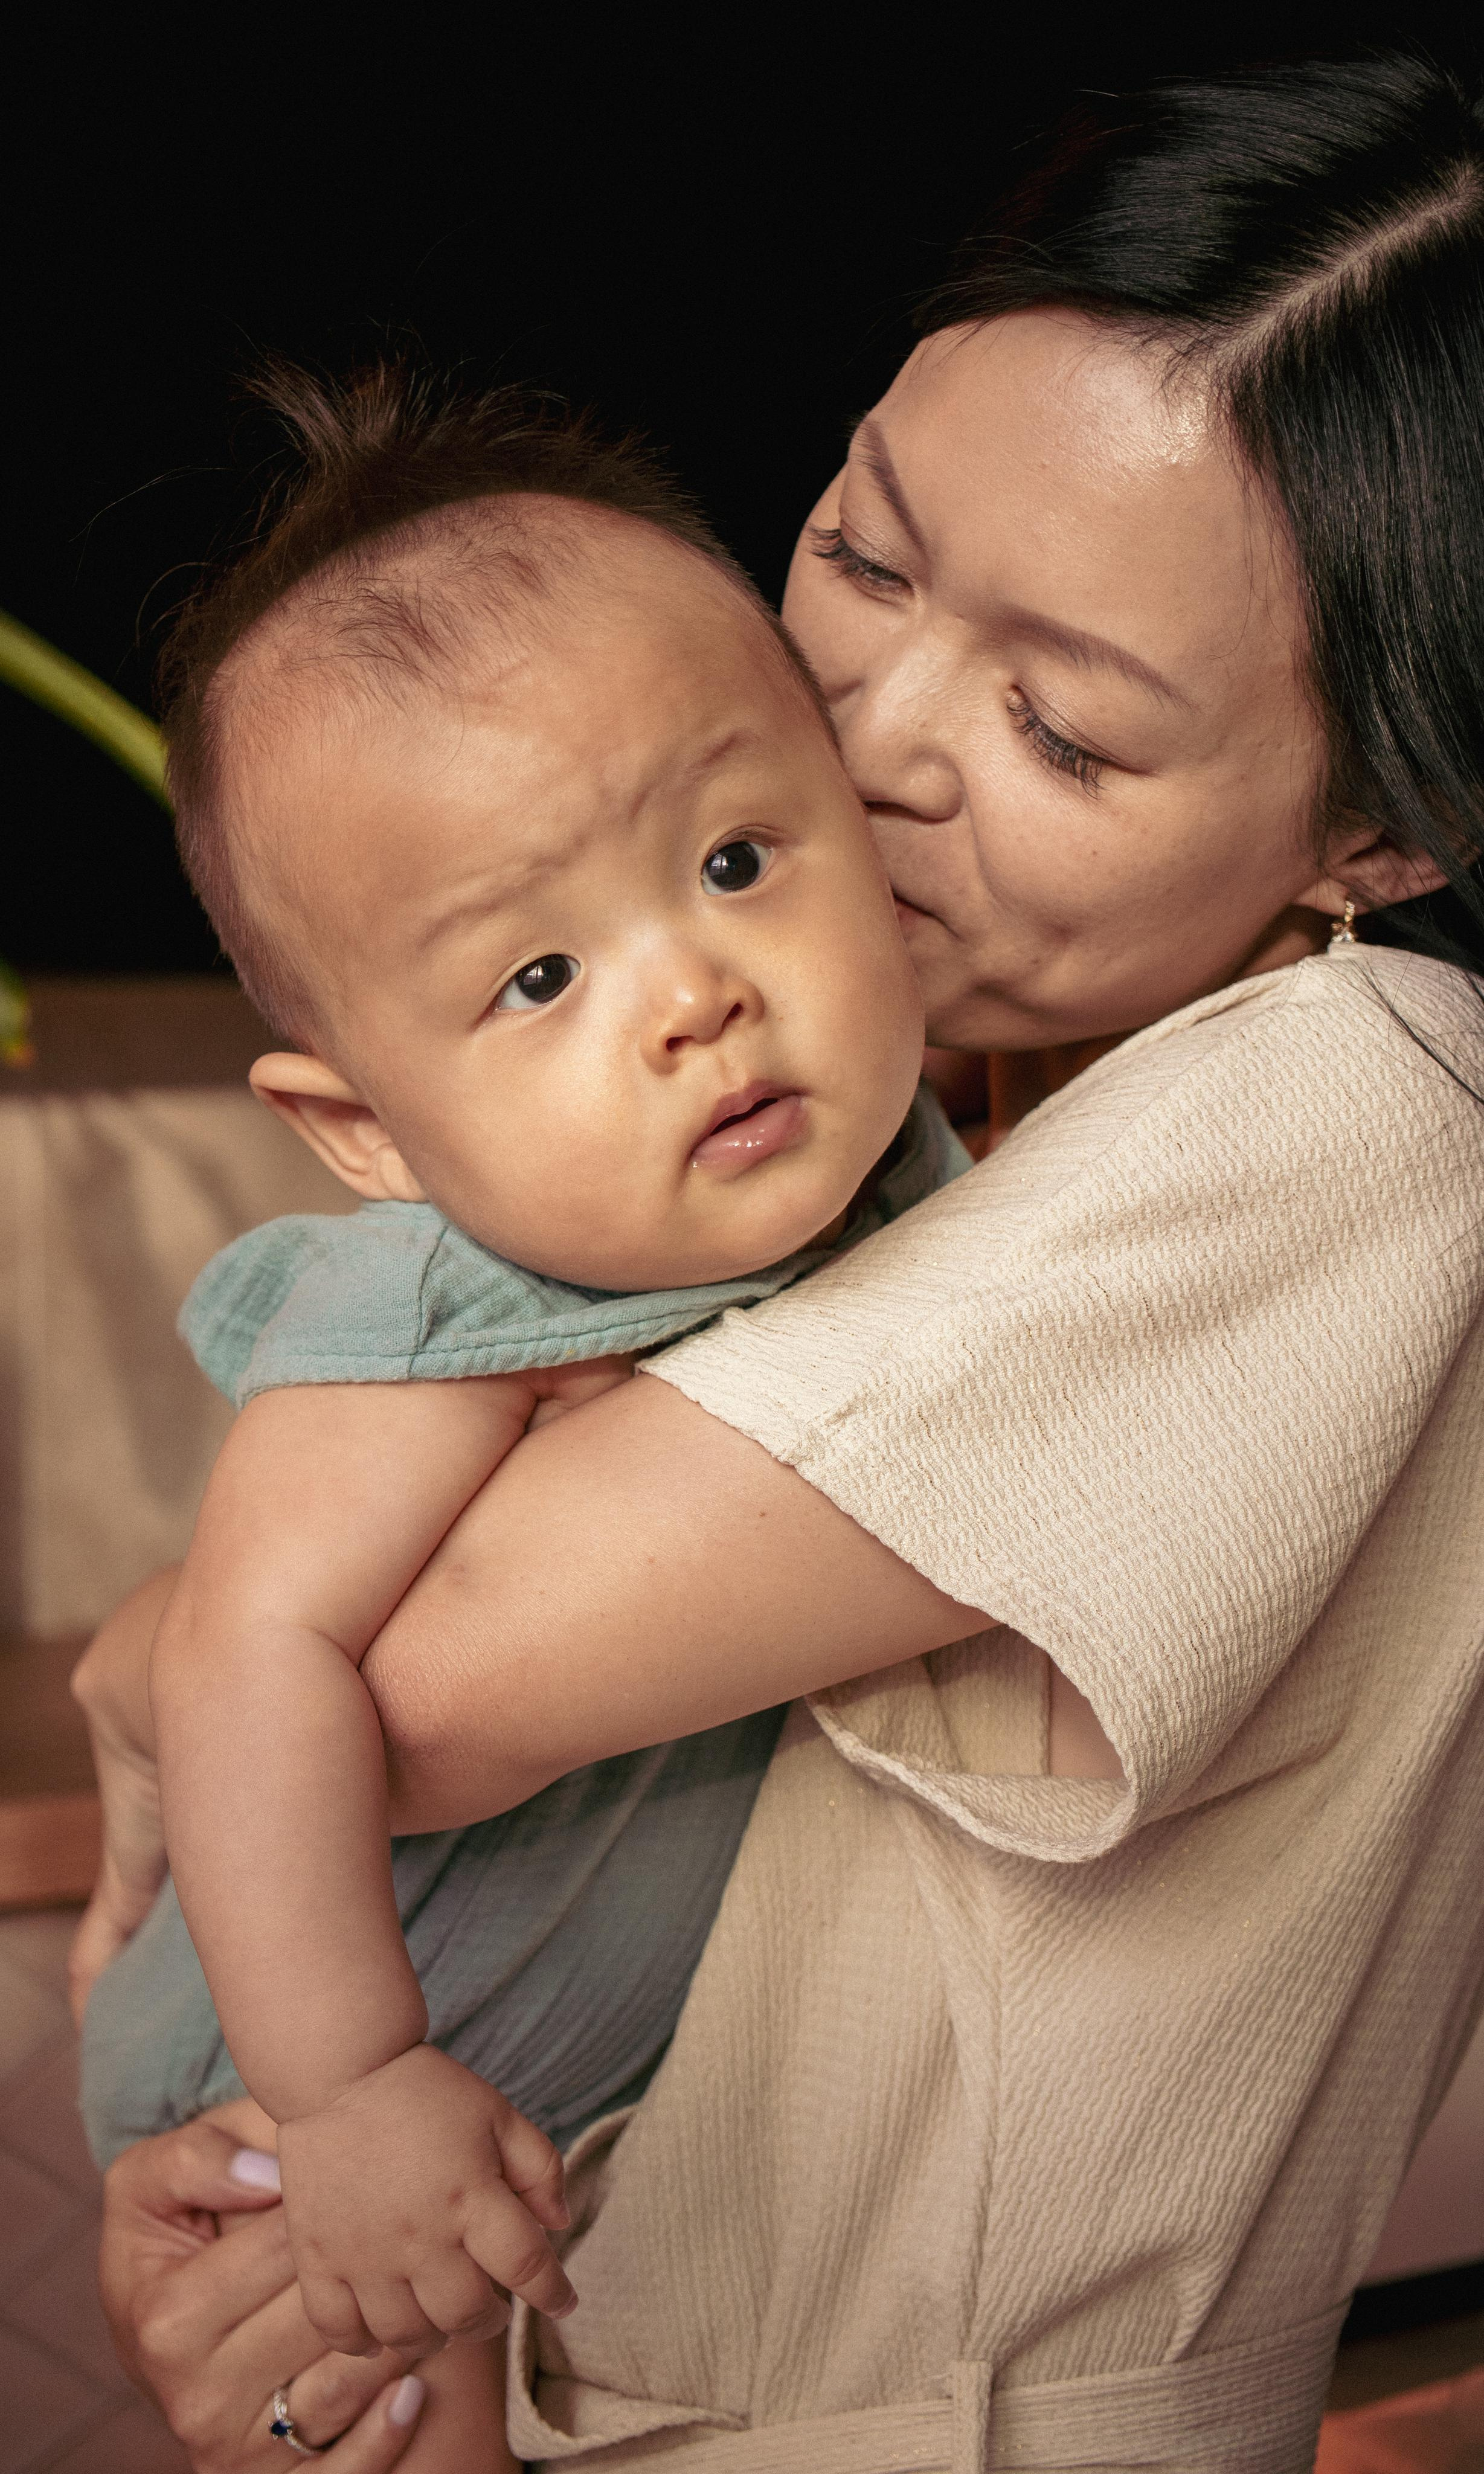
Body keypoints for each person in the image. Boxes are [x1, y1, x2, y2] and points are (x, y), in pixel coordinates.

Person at [77, 51, 1484, 2474]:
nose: (872, 734)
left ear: (1368, 825)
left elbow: (407, 1688)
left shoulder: (1358, 1106)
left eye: (1057, 722)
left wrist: (157, 1667)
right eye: (868, 551)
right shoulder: (865, 1100)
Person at [69, 361, 956, 2371]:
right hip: (314, 2064)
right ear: (365, 1130)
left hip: (579, 2089)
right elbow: (241, 1653)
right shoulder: (450, 1300)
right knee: (401, 2398)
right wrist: (352, 2085)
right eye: (537, 976)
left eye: (735, 860)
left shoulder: (915, 1179)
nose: (695, 993)